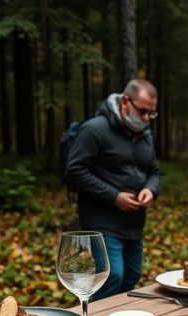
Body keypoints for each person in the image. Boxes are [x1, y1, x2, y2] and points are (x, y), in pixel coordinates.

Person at [65, 79, 161, 300]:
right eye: (143, 111)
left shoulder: (145, 134)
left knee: (131, 277)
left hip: (135, 222)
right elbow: (75, 170)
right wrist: (114, 196)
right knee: (111, 276)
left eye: (151, 114)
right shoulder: (95, 129)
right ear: (126, 101)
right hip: (102, 221)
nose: (146, 118)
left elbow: (154, 172)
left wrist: (150, 190)